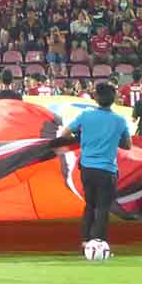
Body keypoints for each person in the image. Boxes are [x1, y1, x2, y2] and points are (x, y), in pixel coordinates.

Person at [56, 82, 131, 250]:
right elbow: (128, 145)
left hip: (87, 168)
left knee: (90, 204)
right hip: (107, 170)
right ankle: (98, 243)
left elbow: (64, 133)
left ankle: (85, 241)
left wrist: (81, 136)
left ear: (96, 97)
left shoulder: (85, 116)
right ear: (114, 99)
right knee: (103, 207)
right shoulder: (119, 120)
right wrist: (112, 137)